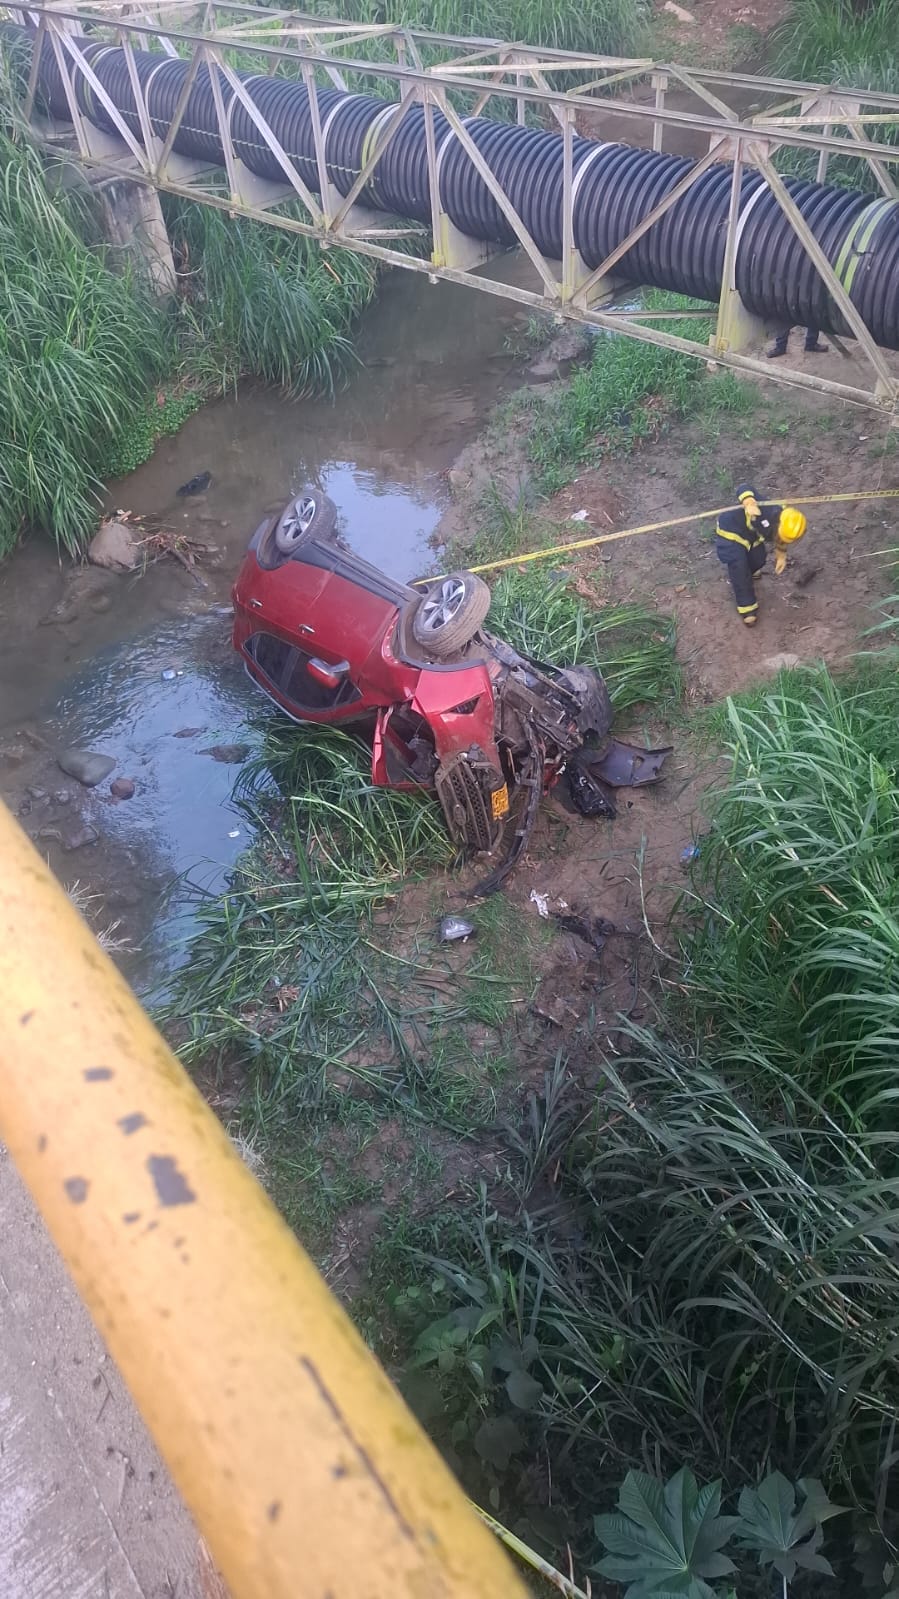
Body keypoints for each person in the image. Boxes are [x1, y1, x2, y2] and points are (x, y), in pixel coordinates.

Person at [715, 485, 807, 627]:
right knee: (740, 570)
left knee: (759, 558)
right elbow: (743, 487)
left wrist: (781, 554)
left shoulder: (786, 520)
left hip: (751, 535)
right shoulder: (766, 510)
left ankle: (751, 569)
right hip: (732, 533)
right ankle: (747, 607)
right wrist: (748, 501)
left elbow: (780, 539)